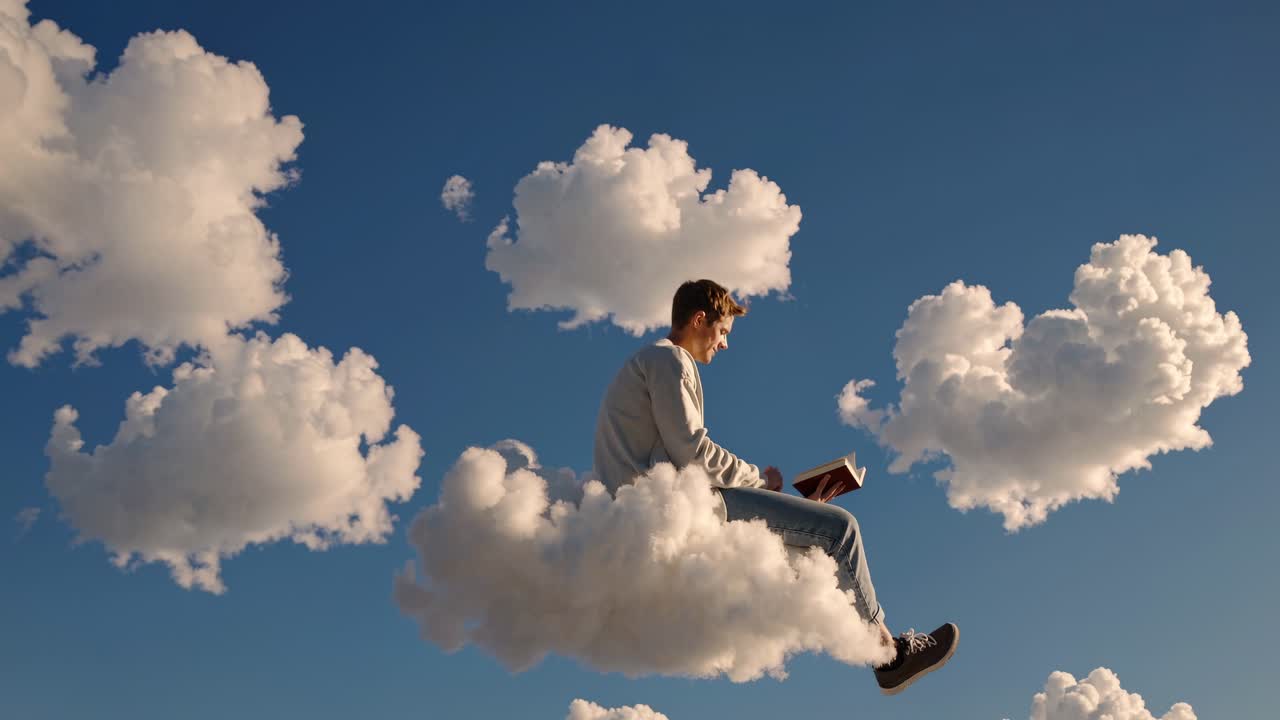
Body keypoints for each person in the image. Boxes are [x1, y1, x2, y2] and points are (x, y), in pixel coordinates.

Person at [592, 279, 958, 695]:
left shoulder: (648, 364)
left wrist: (793, 510)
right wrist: (761, 482)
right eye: (724, 332)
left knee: (815, 542)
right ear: (699, 320)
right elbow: (691, 450)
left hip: (653, 514)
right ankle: (889, 659)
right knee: (841, 531)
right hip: (674, 507)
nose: (724, 345)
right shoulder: (669, 359)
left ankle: (879, 648)